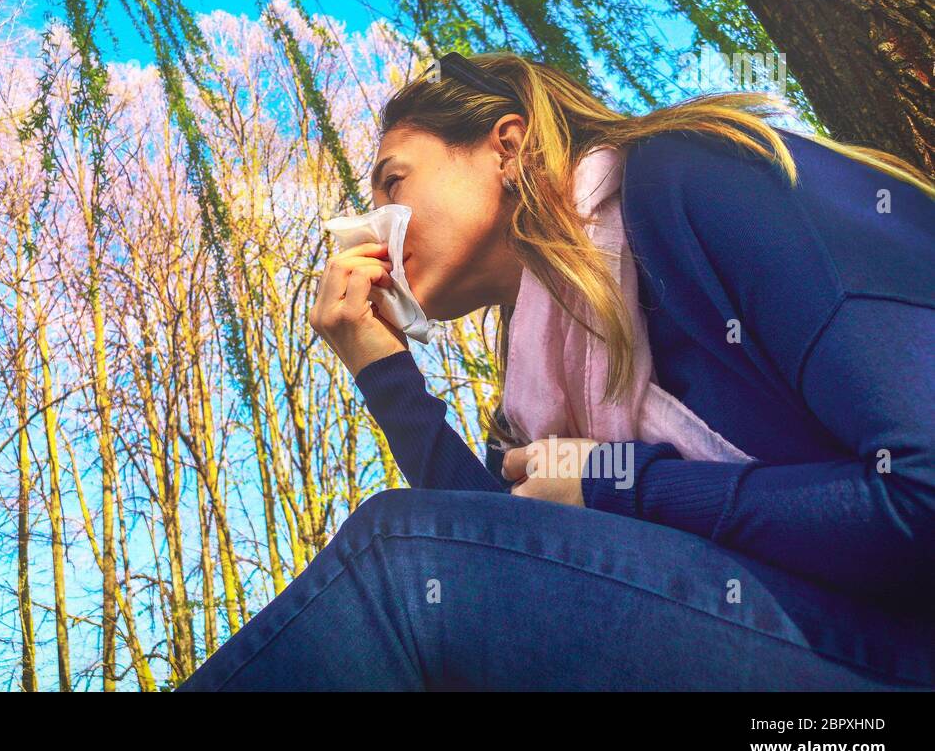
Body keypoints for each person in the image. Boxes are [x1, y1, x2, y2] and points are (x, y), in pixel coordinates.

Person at [176, 51, 935, 691]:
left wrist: (620, 483)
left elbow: (920, 487)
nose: (364, 226)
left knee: (393, 559)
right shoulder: (544, 383)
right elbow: (506, 578)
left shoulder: (695, 181)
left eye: (391, 182)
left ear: (507, 147)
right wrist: (383, 370)